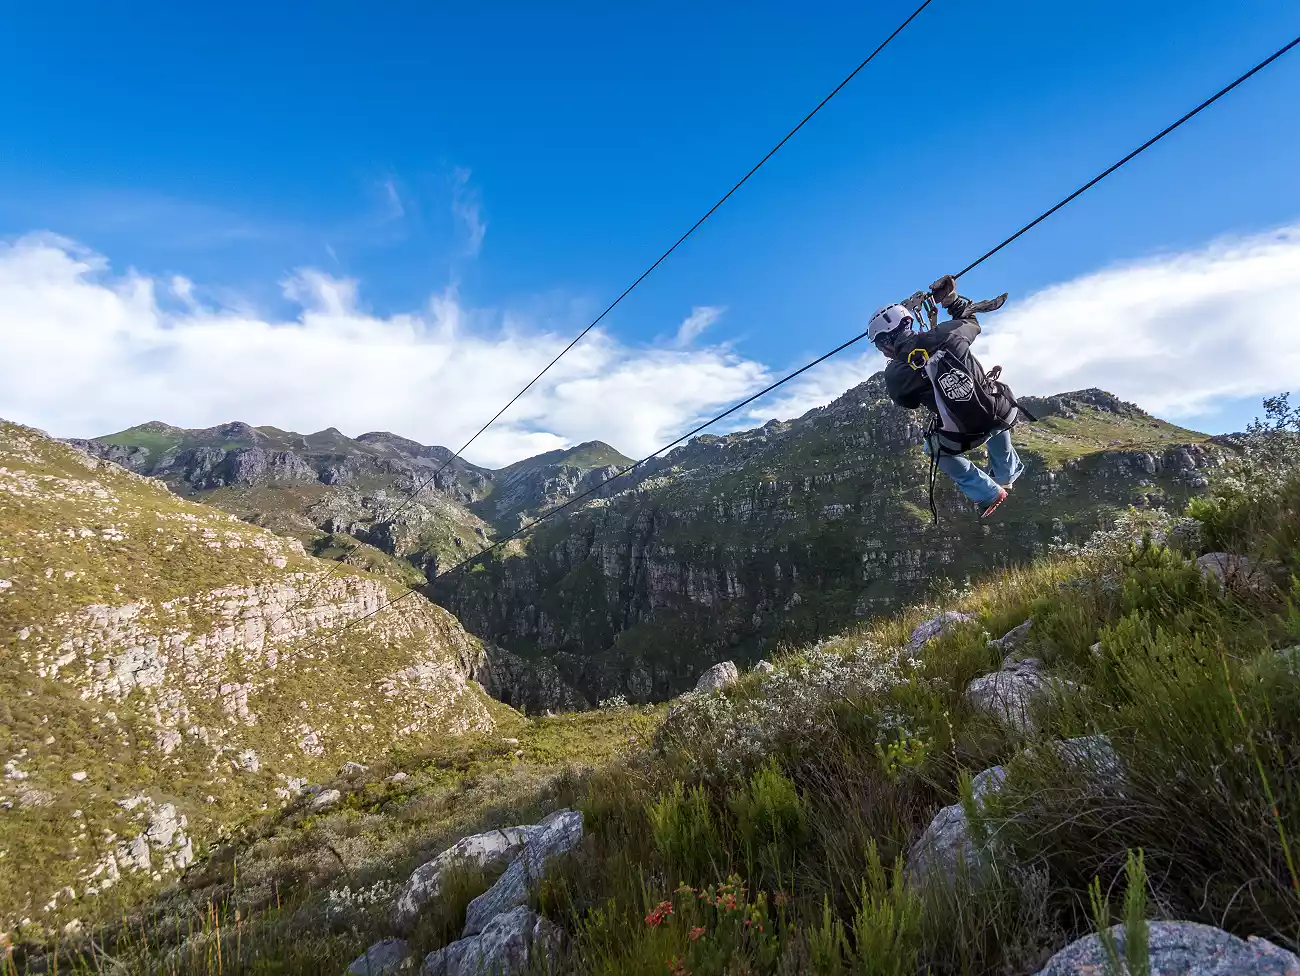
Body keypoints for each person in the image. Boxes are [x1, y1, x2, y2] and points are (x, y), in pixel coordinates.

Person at [869, 274, 1025, 519]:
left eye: (879, 346)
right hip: (999, 412)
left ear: (885, 343)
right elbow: (971, 322)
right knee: (993, 404)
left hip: (963, 432)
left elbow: (907, 403)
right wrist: (952, 300)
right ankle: (1006, 474)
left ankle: (986, 492)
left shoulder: (895, 373)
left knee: (932, 448)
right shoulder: (948, 333)